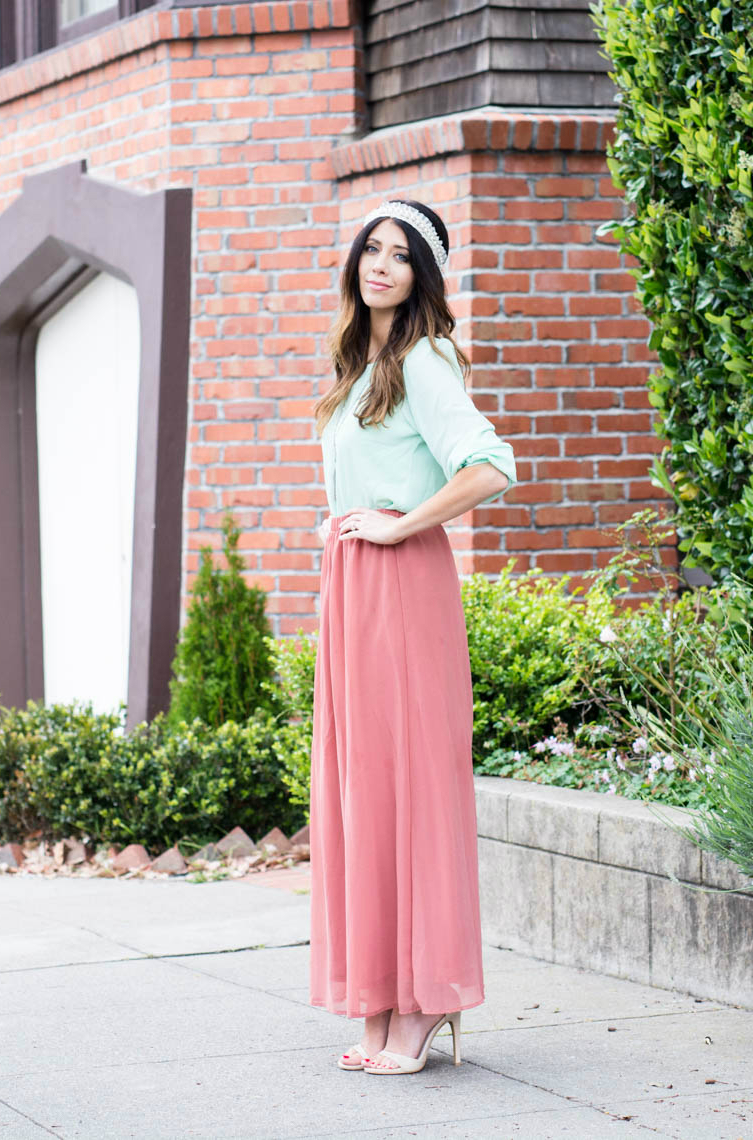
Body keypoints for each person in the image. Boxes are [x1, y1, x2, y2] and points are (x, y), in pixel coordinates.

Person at [309, 199, 517, 1076]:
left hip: (401, 586)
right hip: (350, 593)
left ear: (422, 276)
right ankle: (380, 994)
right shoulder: (361, 366)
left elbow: (491, 464)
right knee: (362, 794)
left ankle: (426, 1001)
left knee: (410, 790)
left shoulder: (426, 358)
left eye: (400, 255)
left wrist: (397, 528)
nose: (380, 265)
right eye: (371, 250)